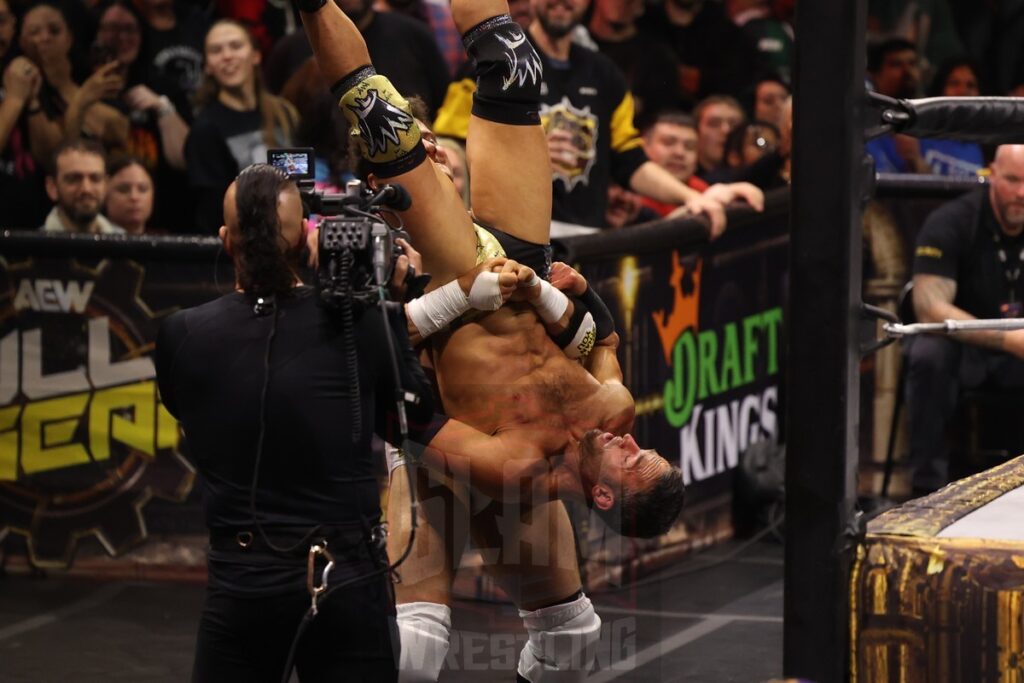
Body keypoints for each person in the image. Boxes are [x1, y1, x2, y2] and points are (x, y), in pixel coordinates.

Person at [294, 2, 684, 682]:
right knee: (512, 61)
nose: (631, 440)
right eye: (643, 446)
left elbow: (405, 411)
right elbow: (604, 338)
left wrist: (447, 304)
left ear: (600, 496)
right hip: (515, 268)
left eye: (633, 460)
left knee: (566, 641)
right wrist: (555, 294)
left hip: (456, 295)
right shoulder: (612, 413)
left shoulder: (513, 465)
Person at [154, 162, 441, 681]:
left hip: (242, 580)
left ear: (226, 240)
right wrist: (394, 304)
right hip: (346, 572)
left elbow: (188, 408)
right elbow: (413, 418)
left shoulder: (182, 336)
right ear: (304, 243)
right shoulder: (354, 325)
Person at [432, 0, 762, 234]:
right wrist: (521, 150)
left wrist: (694, 197)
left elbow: (630, 161)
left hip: (590, 239)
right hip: (512, 239)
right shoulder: (498, 64)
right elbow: (450, 148)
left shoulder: (604, 72)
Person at [907, 144, 1024, 494]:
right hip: (968, 347)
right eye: (1012, 180)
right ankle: (927, 488)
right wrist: (1009, 339)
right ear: (991, 174)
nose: (1021, 193)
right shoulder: (952, 221)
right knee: (928, 354)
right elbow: (929, 308)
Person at [185, 19, 300, 233]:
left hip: (291, 233)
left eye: (236, 46)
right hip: (242, 243)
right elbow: (212, 213)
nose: (227, 56)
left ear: (256, 55)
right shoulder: (205, 130)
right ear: (208, 66)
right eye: (216, 50)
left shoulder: (284, 113)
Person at [40, 138, 123, 234]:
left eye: (95, 179)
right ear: (52, 187)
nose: (86, 189)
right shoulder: (31, 247)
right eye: (74, 179)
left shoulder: (126, 244)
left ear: (106, 185)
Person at [103, 155, 153, 234]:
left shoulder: (166, 242)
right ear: (104, 194)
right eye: (123, 190)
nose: (134, 197)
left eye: (142, 189)